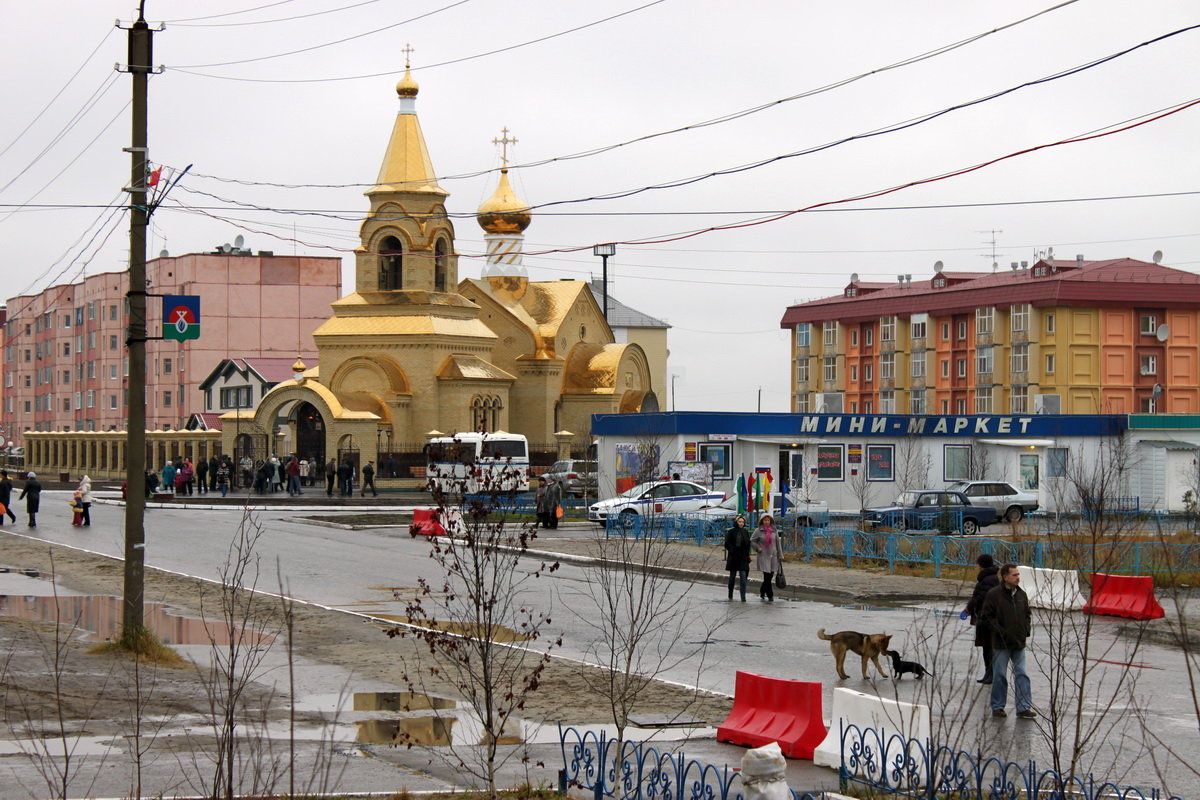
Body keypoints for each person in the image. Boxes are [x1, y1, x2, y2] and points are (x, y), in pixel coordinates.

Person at [980, 563, 1035, 719]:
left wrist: (1025, 631)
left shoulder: (1021, 594)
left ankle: (1024, 707)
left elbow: (1027, 614)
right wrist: (1001, 632)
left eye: (1018, 574)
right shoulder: (994, 594)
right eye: (1014, 575)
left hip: (1018, 642)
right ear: (1005, 577)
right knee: (999, 675)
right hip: (1000, 643)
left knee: (1022, 674)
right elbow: (986, 618)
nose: (1018, 577)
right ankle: (998, 706)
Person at [965, 553, 1000, 684]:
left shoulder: (988, 580)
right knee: (986, 647)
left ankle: (991, 674)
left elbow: (981, 598)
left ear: (981, 565)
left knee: (989, 647)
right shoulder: (989, 578)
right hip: (984, 617)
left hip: (987, 618)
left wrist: (970, 607)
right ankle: (988, 673)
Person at [750, 514, 783, 601]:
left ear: (771, 521)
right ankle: (770, 595)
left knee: (770, 575)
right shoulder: (758, 531)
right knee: (767, 575)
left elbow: (778, 544)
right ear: (762, 521)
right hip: (763, 555)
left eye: (768, 520)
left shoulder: (774, 531)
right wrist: (757, 548)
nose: (766, 522)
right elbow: (752, 541)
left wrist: (780, 555)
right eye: (765, 520)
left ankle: (762, 590)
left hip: (774, 556)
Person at [723, 515, 752, 601]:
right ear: (736, 522)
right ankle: (730, 594)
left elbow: (748, 545)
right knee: (732, 576)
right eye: (739, 522)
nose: (741, 523)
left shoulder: (745, 532)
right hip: (734, 557)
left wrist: (747, 555)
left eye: (742, 522)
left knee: (743, 576)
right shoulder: (731, 532)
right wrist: (732, 551)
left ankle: (743, 596)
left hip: (743, 557)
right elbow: (727, 544)